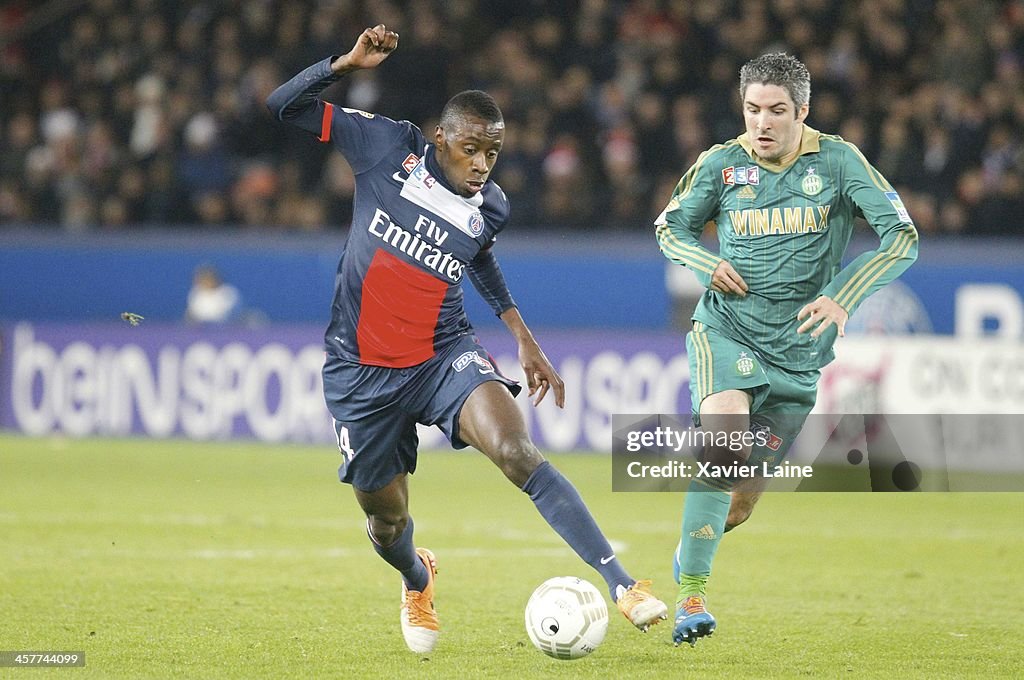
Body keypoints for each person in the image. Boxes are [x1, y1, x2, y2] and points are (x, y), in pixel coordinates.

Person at [266, 24, 667, 654]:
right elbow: (280, 106)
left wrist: (521, 335)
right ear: (441, 139)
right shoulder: (383, 145)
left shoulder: (491, 206)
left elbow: (477, 255)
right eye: (472, 150)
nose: (481, 165)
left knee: (516, 451)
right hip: (360, 370)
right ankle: (417, 578)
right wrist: (344, 63)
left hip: (441, 354)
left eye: (494, 153)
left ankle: (621, 583)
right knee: (385, 518)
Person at [654, 53, 918, 647]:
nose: (762, 124)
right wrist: (705, 261)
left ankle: (692, 546)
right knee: (723, 451)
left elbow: (903, 237)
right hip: (726, 330)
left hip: (798, 354)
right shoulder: (720, 165)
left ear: (803, 111)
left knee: (738, 506)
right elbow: (670, 228)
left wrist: (843, 295)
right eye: (752, 110)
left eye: (777, 111)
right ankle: (691, 596)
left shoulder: (841, 162)